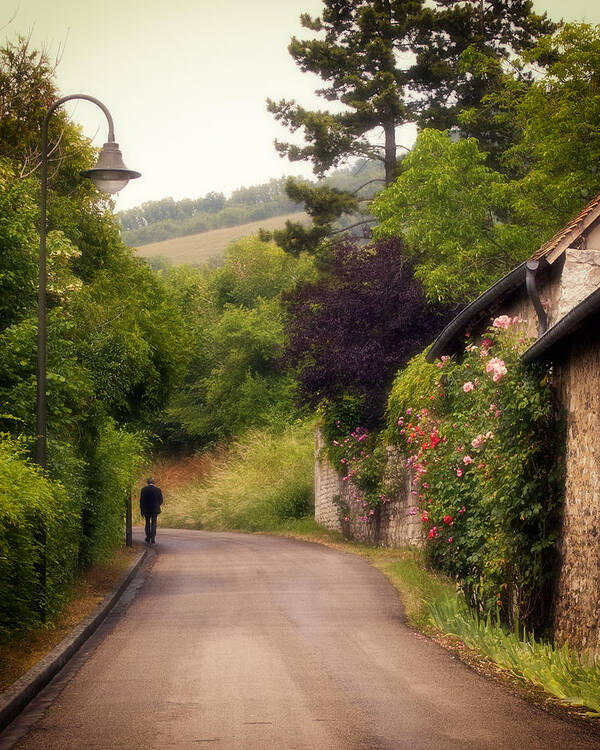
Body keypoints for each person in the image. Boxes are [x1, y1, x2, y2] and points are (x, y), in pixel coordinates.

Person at [140, 477, 163, 544]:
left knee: (147, 523)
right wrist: (157, 505)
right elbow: (161, 500)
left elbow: (141, 501)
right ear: (154, 482)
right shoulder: (158, 490)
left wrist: (142, 510)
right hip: (155, 509)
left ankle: (148, 537)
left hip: (146, 509)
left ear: (147, 482)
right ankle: (153, 538)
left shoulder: (144, 490)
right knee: (154, 523)